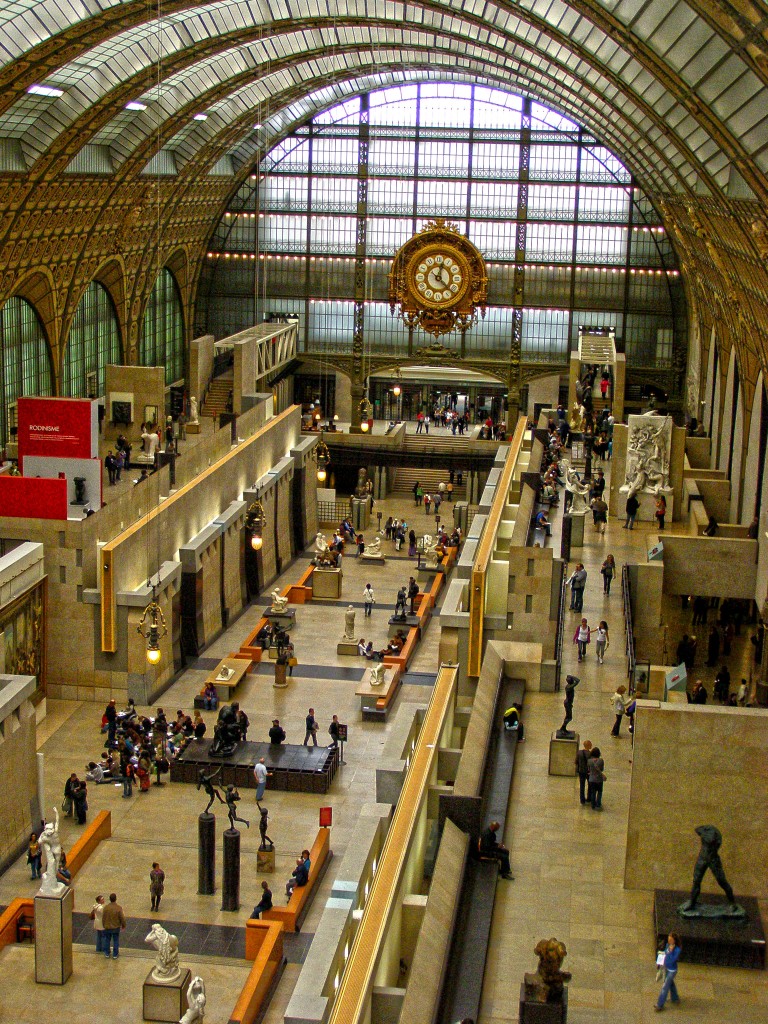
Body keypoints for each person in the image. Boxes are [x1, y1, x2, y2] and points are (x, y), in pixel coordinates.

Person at [654, 933, 682, 1011]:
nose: (669, 941)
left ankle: (660, 1004)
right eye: (668, 939)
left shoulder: (677, 950)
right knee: (670, 983)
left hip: (672, 970)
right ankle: (675, 997)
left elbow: (673, 960)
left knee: (665, 986)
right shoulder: (667, 945)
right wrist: (659, 962)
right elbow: (664, 955)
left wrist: (670, 951)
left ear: (674, 940)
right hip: (666, 967)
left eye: (670, 939)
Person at [101, 892, 126, 959]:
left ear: (109, 899)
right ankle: (115, 954)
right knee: (115, 940)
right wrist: (123, 925)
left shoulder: (106, 907)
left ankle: (107, 953)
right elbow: (122, 918)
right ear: (116, 899)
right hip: (116, 927)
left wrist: (103, 924)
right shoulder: (118, 908)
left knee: (107, 940)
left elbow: (103, 917)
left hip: (107, 926)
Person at [575, 739, 593, 805]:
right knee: (590, 785)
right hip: (588, 772)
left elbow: (576, 761)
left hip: (581, 771)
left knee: (582, 785)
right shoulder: (590, 754)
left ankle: (582, 800)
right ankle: (589, 798)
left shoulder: (579, 752)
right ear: (588, 746)